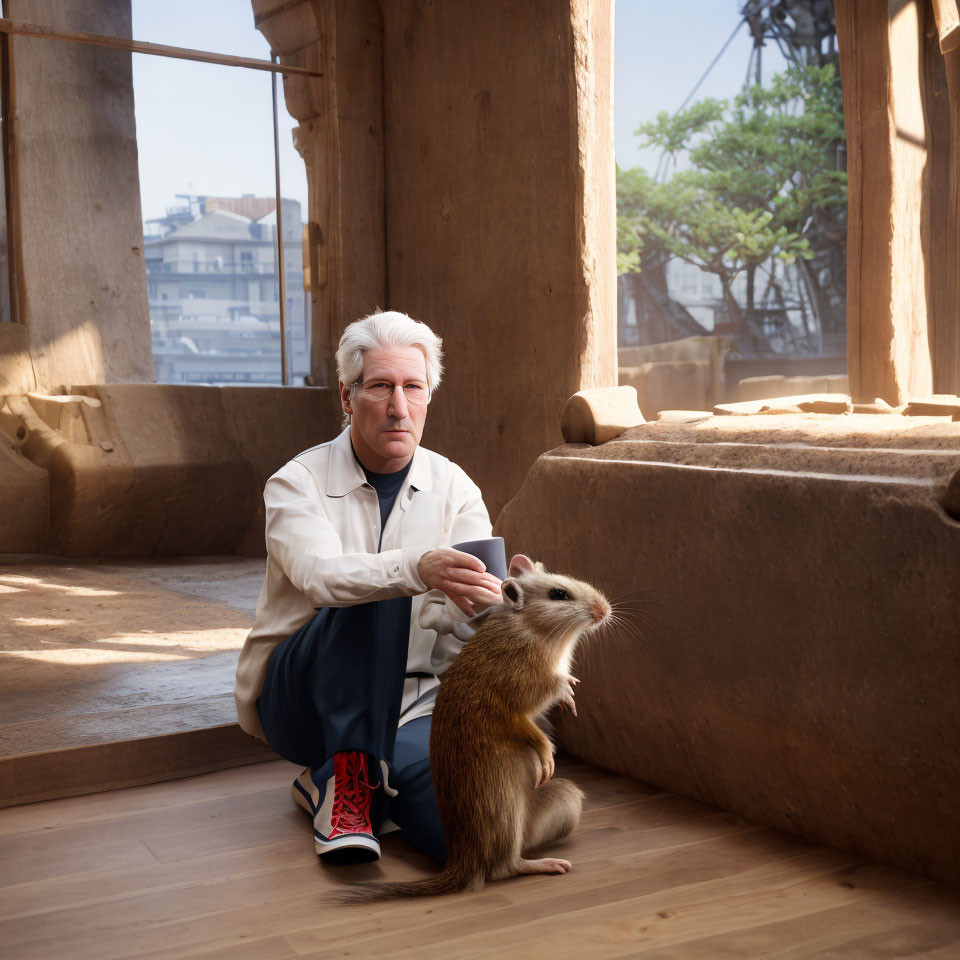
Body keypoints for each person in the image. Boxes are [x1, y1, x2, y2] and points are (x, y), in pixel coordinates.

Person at [234, 310, 502, 864]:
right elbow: (320, 578)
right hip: (303, 696)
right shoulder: (296, 483)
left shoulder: (455, 486)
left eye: (413, 387)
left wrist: (490, 609)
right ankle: (349, 772)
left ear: (429, 396)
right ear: (347, 395)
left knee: (463, 833)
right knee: (378, 585)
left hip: (412, 699)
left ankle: (341, 782)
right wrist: (416, 568)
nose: (398, 407)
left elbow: (459, 619)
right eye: (380, 386)